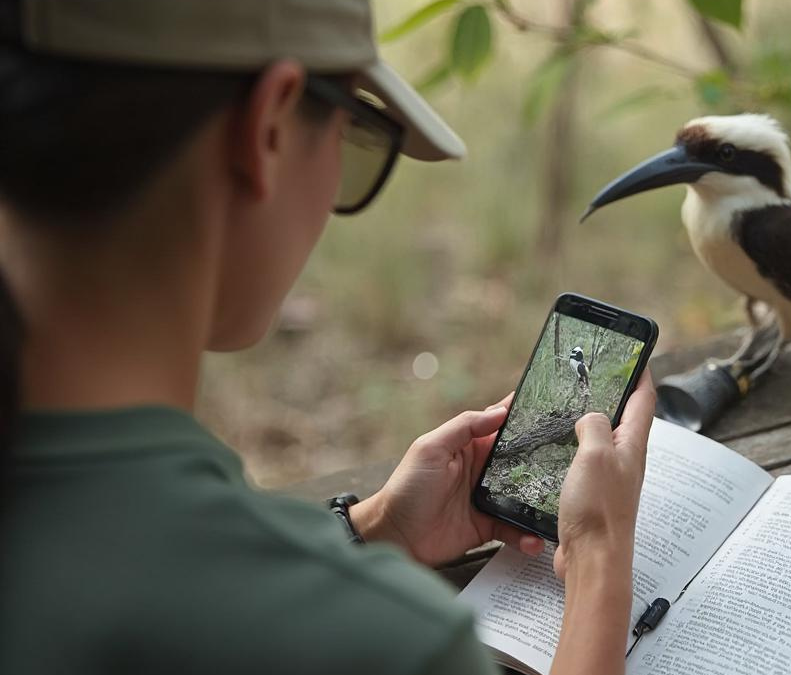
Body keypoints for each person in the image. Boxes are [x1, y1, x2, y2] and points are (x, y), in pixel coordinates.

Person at [0, 1, 656, 674]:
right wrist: (601, 556)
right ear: (270, 129)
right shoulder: (389, 642)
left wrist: (373, 531)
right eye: (355, 134)